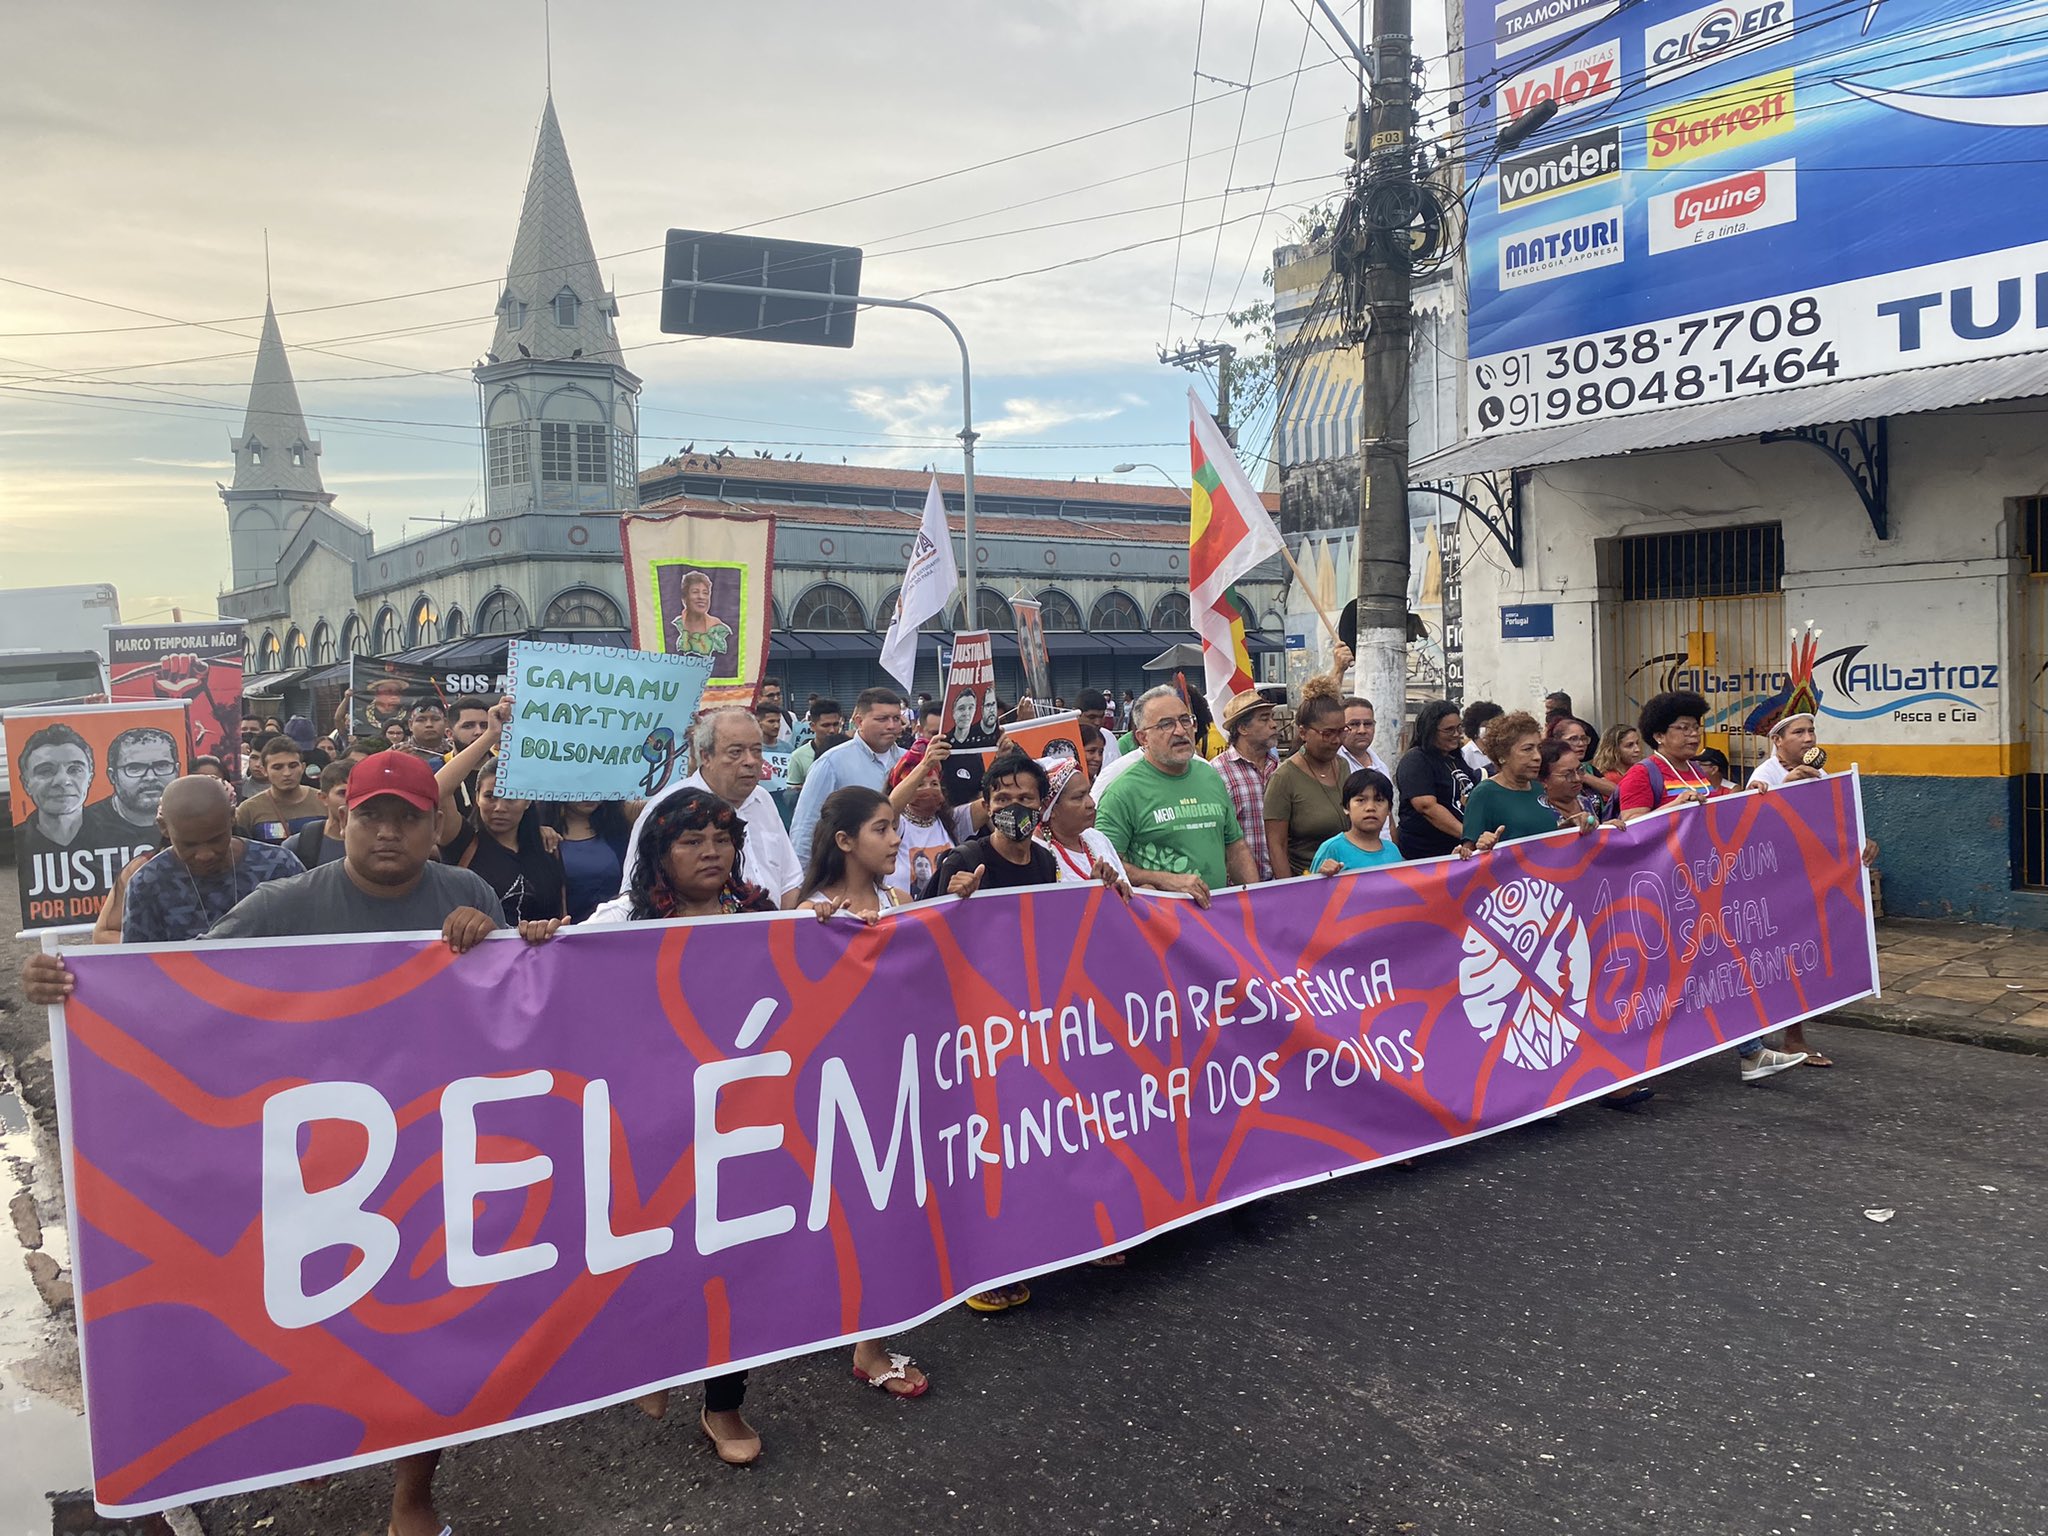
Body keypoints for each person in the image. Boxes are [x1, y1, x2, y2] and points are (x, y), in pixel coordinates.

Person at [22, 751, 564, 1536]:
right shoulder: (283, 903)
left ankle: (412, 1494)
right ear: (343, 821)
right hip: (316, 1160)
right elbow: (170, 987)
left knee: (432, 1326)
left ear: (435, 828)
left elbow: (519, 1004)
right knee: (314, 1319)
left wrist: (524, 939)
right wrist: (74, 985)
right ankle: (306, 1437)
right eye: (372, 816)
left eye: (408, 817)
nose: (389, 832)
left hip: (429, 1153)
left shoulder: (467, 893)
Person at [580, 789, 780, 1463]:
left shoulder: (763, 914)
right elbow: (560, 991)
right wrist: (539, 939)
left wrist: (835, 928)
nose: (710, 852)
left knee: (738, 1263)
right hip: (653, 1126)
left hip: (743, 1126)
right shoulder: (620, 922)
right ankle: (657, 1358)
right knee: (662, 1254)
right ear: (661, 853)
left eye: (721, 840)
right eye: (692, 841)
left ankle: (724, 1407)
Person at [1746, 709, 1879, 1068]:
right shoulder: (1765, 776)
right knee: (1779, 963)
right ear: (1777, 741)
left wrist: (1860, 840)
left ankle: (1792, 1037)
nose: (1809, 739)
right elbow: (1754, 833)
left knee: (1805, 959)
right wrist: (1788, 789)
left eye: (1811, 731)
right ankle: (1771, 1040)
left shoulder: (1820, 773)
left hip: (1810, 878)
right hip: (1778, 885)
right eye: (1799, 733)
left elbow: (1830, 823)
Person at [624, 706, 804, 907]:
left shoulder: (763, 800)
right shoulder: (667, 809)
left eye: (756, 750)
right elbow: (636, 893)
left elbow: (790, 881)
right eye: (736, 752)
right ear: (706, 756)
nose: (751, 761)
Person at [1095, 685, 1256, 906]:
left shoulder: (1209, 776)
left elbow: (1235, 848)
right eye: (1166, 724)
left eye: (1185, 720)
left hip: (1217, 919)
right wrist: (1164, 880)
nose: (1180, 731)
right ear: (1143, 738)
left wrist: (1256, 901)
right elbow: (1106, 866)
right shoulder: (1122, 792)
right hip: (1161, 927)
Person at [109, 777, 305, 944]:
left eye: (216, 839)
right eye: (189, 844)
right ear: (164, 828)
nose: (205, 854)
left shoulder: (278, 866)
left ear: (232, 818)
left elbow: (314, 940)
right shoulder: (148, 884)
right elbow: (139, 965)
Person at [433, 708, 567, 925]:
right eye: (490, 796)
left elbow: (561, 915)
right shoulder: (462, 842)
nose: (499, 807)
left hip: (539, 957)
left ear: (527, 802)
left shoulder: (547, 848)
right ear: (477, 798)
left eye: (511, 798)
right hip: (477, 957)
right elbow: (436, 790)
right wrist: (491, 735)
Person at [788, 687, 907, 865]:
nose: (891, 725)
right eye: (882, 719)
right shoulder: (831, 763)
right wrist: (803, 887)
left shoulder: (909, 761)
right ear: (859, 721)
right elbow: (805, 830)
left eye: (896, 718)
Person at [1264, 689, 1353, 881]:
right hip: (1308, 882)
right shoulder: (1283, 778)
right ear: (1303, 732)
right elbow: (1276, 846)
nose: (1336, 740)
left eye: (1341, 731)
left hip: (1348, 878)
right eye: (1327, 733)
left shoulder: (1343, 765)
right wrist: (1290, 890)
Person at [1462, 711, 1580, 851]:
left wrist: (1571, 826)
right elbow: (1467, 855)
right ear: (1502, 755)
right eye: (1527, 749)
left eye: (1538, 748)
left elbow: (1538, 836)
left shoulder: (1538, 788)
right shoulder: (1484, 794)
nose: (1537, 756)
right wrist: (1484, 846)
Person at [884, 740, 973, 901]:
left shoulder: (952, 821)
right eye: (919, 784)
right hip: (903, 917)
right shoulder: (897, 825)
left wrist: (1003, 757)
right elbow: (890, 808)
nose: (929, 789)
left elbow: (991, 803)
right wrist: (925, 765)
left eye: (934, 783)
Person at [1614, 691, 1720, 822]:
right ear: (1659, 736)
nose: (1694, 734)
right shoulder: (1641, 774)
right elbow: (1632, 827)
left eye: (1696, 728)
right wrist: (1676, 805)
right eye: (1684, 728)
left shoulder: (1696, 769)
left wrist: (1748, 797)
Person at [1394, 700, 1476, 862]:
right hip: (1425, 858)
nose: (1456, 734)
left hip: (1457, 852)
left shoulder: (1455, 759)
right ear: (1430, 731)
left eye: (1459, 727)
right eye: (1448, 730)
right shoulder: (1416, 759)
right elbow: (1427, 806)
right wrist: (1469, 835)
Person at [1038, 754, 1132, 894]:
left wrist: (1117, 890)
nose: (1091, 803)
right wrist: (1093, 889)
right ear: (1050, 808)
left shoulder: (1097, 839)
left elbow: (1126, 892)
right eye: (1078, 797)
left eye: (1088, 793)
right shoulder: (1037, 852)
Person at [1214, 690, 1279, 881]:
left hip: (1280, 883)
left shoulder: (1279, 769)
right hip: (1237, 888)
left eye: (1272, 718)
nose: (1273, 725)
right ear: (1243, 728)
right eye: (1264, 719)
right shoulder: (1217, 773)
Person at [79, 725, 181, 846]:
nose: (150, 777)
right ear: (112, 776)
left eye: (162, 765)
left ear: (177, 770)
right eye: (135, 768)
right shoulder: (82, 826)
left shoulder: (191, 819)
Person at [546, 799, 634, 922]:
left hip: (619, 927)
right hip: (567, 932)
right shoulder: (543, 836)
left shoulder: (620, 829)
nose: (589, 795)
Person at [235, 735, 326, 844]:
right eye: (277, 767)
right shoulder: (248, 810)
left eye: (293, 766)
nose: (287, 773)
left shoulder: (323, 801)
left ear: (302, 767)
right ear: (264, 770)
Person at [1312, 768, 1402, 873]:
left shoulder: (1393, 851)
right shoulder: (1332, 849)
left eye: (1379, 800)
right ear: (1346, 807)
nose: (1370, 807)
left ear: (1389, 809)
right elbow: (1309, 888)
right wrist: (1322, 875)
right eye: (1361, 800)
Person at [290, 761, 354, 867]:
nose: (350, 799)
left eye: (357, 792)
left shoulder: (379, 843)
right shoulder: (299, 844)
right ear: (323, 798)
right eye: (343, 793)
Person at [784, 698, 846, 797]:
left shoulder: (848, 751)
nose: (832, 730)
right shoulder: (798, 756)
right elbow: (791, 794)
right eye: (826, 725)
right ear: (812, 726)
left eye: (836, 724)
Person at [1537, 738, 1604, 830]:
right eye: (1568, 775)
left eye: (1579, 770)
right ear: (1544, 780)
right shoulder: (1538, 814)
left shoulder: (1587, 802)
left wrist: (1607, 828)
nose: (1577, 778)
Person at [670, 569, 734, 663]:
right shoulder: (674, 626)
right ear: (684, 597)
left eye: (705, 593)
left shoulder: (720, 629)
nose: (701, 597)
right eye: (695, 592)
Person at [1338, 695, 1394, 780]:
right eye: (1354, 724)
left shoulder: (1380, 766)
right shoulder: (1333, 763)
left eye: (1368, 724)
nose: (1362, 731)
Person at [1075, 688, 1121, 768]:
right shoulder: (1065, 740)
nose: (1098, 722)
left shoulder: (1109, 737)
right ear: (1077, 714)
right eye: (1091, 717)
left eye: (1101, 716)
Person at [400, 700, 450, 770]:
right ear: (410, 725)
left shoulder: (457, 751)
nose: (429, 724)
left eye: (435, 719)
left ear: (446, 723)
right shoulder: (397, 752)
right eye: (421, 720)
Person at [1459, 701, 1503, 779]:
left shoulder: (1502, 751)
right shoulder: (1466, 754)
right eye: (1486, 725)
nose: (1492, 729)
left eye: (1496, 725)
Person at [758, 677, 797, 742]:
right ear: (759, 698)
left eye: (778, 694)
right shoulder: (750, 720)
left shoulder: (790, 717)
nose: (776, 698)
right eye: (771, 695)